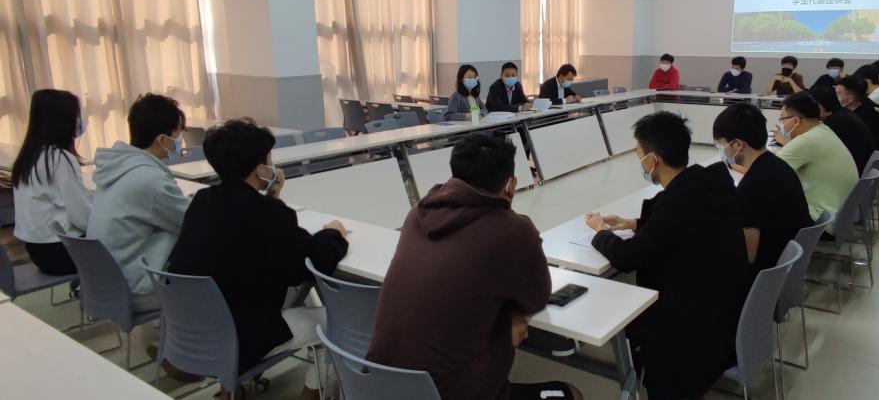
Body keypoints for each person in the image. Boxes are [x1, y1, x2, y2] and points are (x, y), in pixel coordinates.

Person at [367, 133, 582, 400]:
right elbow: (537, 297)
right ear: (511, 185)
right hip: (448, 394)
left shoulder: (418, 213)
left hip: (376, 387)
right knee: (571, 393)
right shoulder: (513, 230)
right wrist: (514, 312)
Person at [167, 119, 348, 400]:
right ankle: (311, 395)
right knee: (338, 324)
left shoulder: (201, 201)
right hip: (241, 338)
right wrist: (334, 234)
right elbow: (309, 264)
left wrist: (272, 197)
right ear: (260, 168)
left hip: (192, 333)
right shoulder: (268, 214)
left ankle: (229, 389)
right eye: (269, 159)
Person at [584, 112, 749, 399]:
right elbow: (679, 224)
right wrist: (633, 223)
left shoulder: (678, 201)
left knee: (623, 311)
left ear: (653, 160)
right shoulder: (706, 182)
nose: (639, 162)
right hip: (722, 309)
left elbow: (627, 257)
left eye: (639, 155)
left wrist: (600, 231)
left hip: (692, 329)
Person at [87, 93, 191, 304]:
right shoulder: (149, 180)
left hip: (105, 279)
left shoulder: (118, 166)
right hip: (134, 284)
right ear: (162, 140)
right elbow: (189, 220)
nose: (179, 142)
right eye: (177, 135)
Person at [712, 103, 812, 275]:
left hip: (765, 274)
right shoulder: (777, 165)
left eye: (722, 144)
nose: (721, 150)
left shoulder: (753, 185)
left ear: (737, 144)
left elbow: (747, 256)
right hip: (786, 264)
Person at [11, 89, 92, 276]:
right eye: (75, 115)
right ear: (62, 120)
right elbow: (81, 214)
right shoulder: (59, 158)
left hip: (38, 250)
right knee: (125, 239)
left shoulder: (30, 156)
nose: (79, 121)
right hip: (61, 252)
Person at [773, 93, 858, 227]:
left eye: (782, 119)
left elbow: (767, 171)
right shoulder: (822, 130)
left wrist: (736, 163)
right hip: (838, 217)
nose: (782, 124)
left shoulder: (807, 140)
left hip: (820, 222)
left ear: (796, 121)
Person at [809, 86, 876, 175]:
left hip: (857, 171)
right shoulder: (843, 113)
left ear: (821, 106)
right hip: (865, 166)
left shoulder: (834, 122)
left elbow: (816, 149)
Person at [836, 75, 879, 150]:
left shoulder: (859, 118)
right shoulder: (866, 106)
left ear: (850, 98)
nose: (834, 96)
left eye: (838, 93)